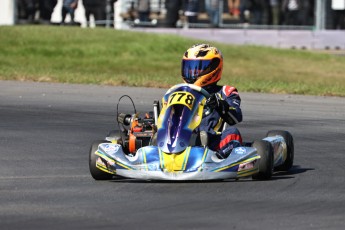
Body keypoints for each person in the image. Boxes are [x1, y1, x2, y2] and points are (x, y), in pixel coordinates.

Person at [181, 44, 243, 159]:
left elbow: (236, 117)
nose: (193, 72)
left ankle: (218, 158)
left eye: (199, 68)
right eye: (190, 68)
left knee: (233, 133)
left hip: (212, 141)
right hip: (182, 138)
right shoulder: (180, 91)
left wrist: (220, 105)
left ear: (213, 68)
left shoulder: (226, 91)